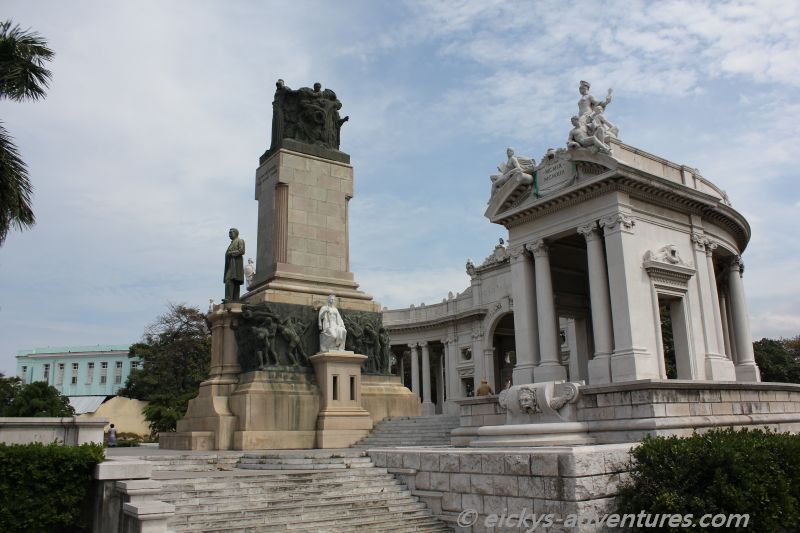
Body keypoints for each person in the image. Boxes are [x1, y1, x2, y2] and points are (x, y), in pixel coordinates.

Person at [224, 228, 245, 302]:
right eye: (229, 233)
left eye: (231, 232)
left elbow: (242, 250)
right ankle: (234, 299)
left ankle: (228, 299)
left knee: (229, 279)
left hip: (236, 265)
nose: (229, 234)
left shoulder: (240, 241)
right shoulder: (231, 243)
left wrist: (231, 253)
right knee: (233, 281)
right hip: (230, 265)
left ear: (236, 233)